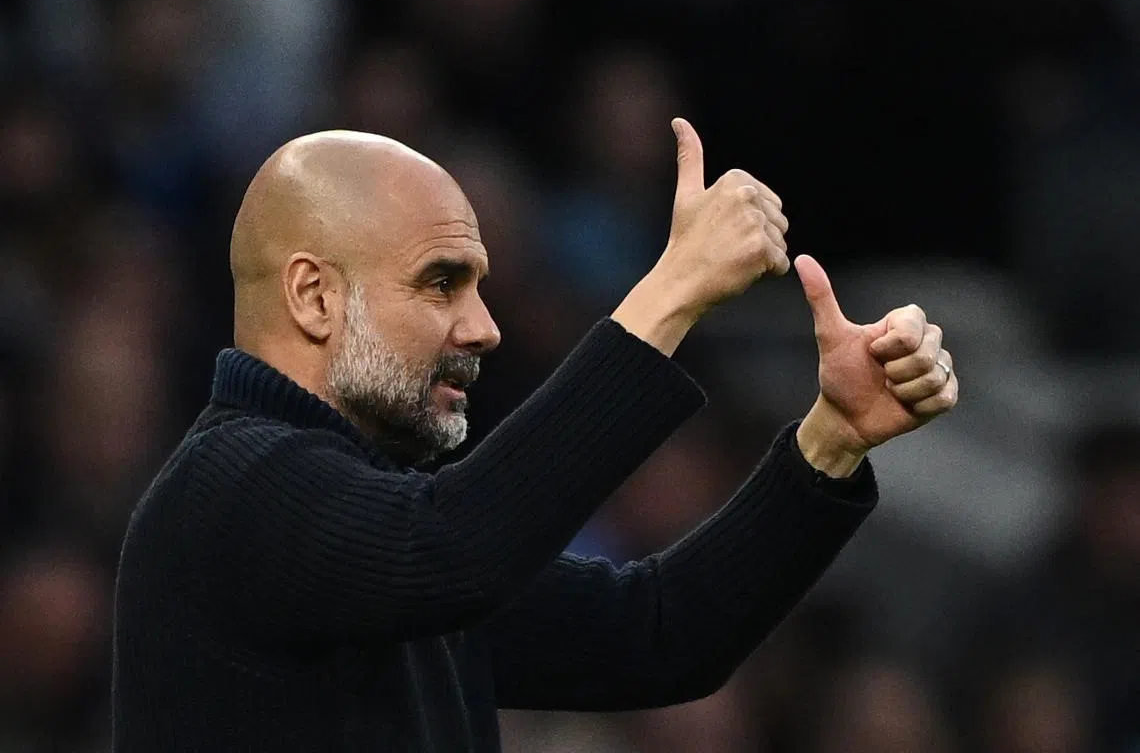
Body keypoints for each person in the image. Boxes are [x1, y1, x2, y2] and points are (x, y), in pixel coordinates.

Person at [111, 119, 958, 752]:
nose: (484, 327)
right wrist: (671, 292)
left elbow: (659, 636)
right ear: (314, 297)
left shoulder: (375, 532)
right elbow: (454, 549)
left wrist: (833, 440)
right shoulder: (231, 486)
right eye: (441, 282)